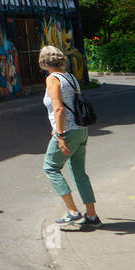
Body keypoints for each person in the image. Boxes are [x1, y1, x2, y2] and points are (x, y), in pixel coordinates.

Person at [40, 45, 101, 230]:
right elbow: (70, 105)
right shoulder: (71, 77)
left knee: (50, 167)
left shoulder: (52, 79)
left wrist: (59, 134)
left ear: (44, 62)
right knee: (78, 172)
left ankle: (72, 211)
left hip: (67, 131)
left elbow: (59, 108)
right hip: (81, 129)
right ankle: (91, 215)